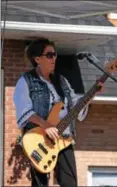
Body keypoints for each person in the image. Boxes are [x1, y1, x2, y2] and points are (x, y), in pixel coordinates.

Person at [13, 38, 103, 187]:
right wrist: (46, 125)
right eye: (49, 55)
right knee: (40, 184)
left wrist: (92, 94)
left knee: (70, 183)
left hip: (64, 139)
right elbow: (24, 111)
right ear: (37, 59)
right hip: (39, 139)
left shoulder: (62, 81)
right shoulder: (26, 80)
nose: (54, 58)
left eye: (54, 54)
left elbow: (76, 108)